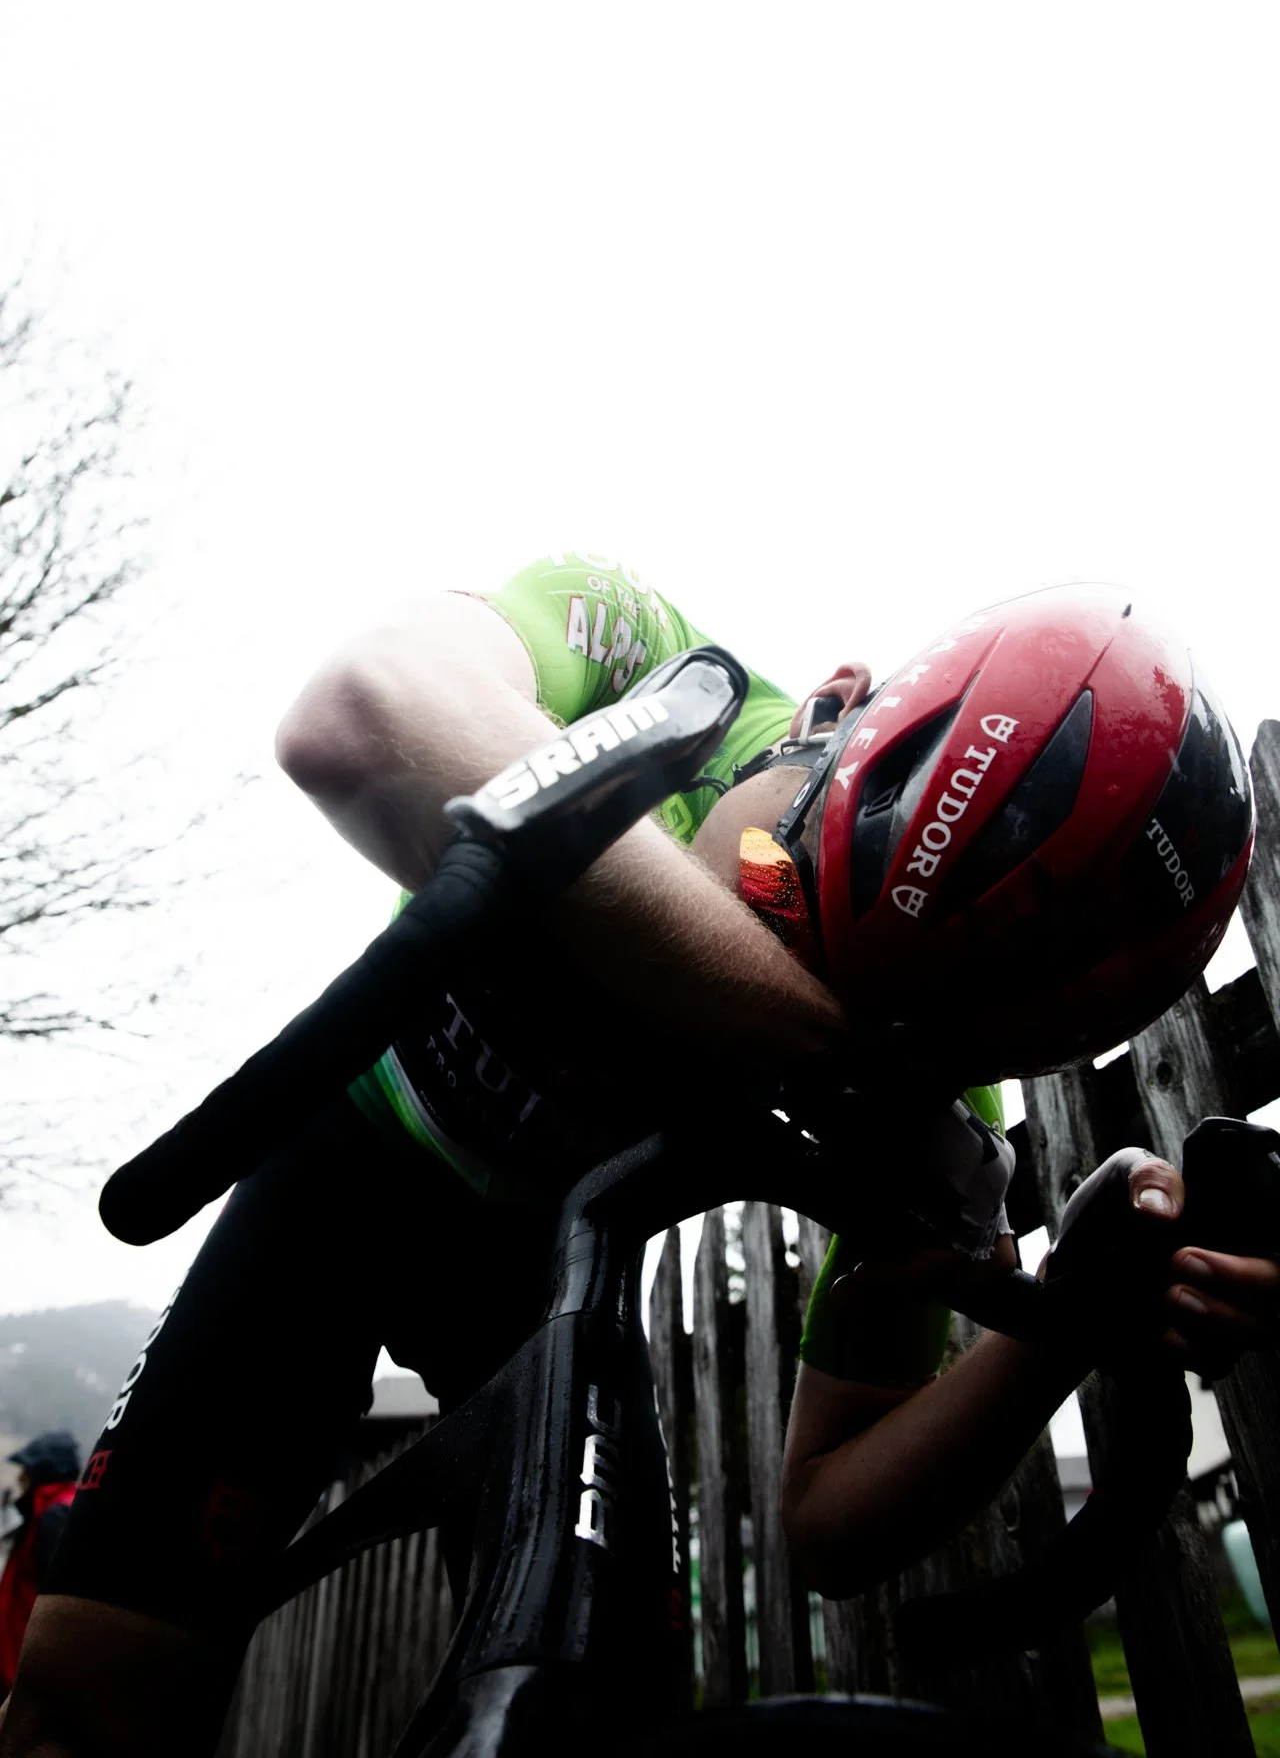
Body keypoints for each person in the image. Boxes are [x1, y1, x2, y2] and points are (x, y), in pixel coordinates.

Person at [0, 554, 1273, 1758]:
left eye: (869, 1009)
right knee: (80, 1715)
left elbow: (828, 1521)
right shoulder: (649, 658)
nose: (776, 979)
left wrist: (1052, 1326)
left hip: (544, 1284)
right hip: (331, 1185)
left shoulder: (933, 1105)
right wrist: (825, 1046)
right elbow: (355, 715)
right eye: (787, 908)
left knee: (591, 1722)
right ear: (832, 710)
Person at [0, 1434, 80, 1701]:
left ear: (42, 1474)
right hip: (11, 1656)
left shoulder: (56, 1518)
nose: (21, 1479)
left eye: (27, 1472)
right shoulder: (41, 1509)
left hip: (22, 1667)